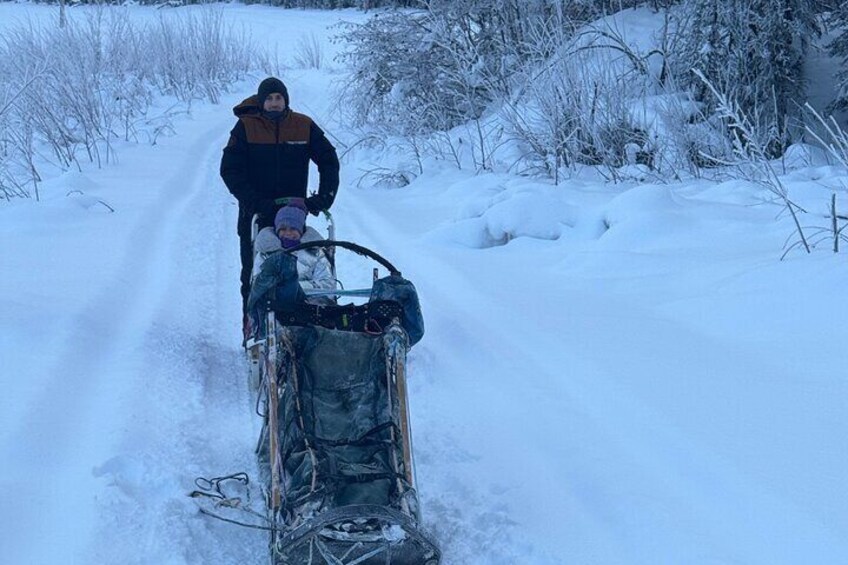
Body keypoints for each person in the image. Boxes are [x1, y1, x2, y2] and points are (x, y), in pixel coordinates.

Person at [220, 76, 340, 313]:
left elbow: (328, 160)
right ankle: (253, 325)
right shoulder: (246, 127)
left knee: (302, 265)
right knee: (254, 271)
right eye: (270, 99)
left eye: (279, 98)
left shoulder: (303, 125)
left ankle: (303, 320)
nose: (275, 103)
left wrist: (323, 198)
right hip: (256, 212)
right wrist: (254, 201)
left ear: (286, 100)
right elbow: (230, 169)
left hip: (293, 214)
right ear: (261, 101)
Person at [251, 202, 336, 303]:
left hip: (312, 306)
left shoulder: (316, 252)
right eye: (282, 229)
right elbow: (259, 285)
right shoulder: (266, 253)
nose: (288, 233)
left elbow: (328, 284)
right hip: (276, 306)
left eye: (293, 228)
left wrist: (293, 288)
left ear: (301, 230)